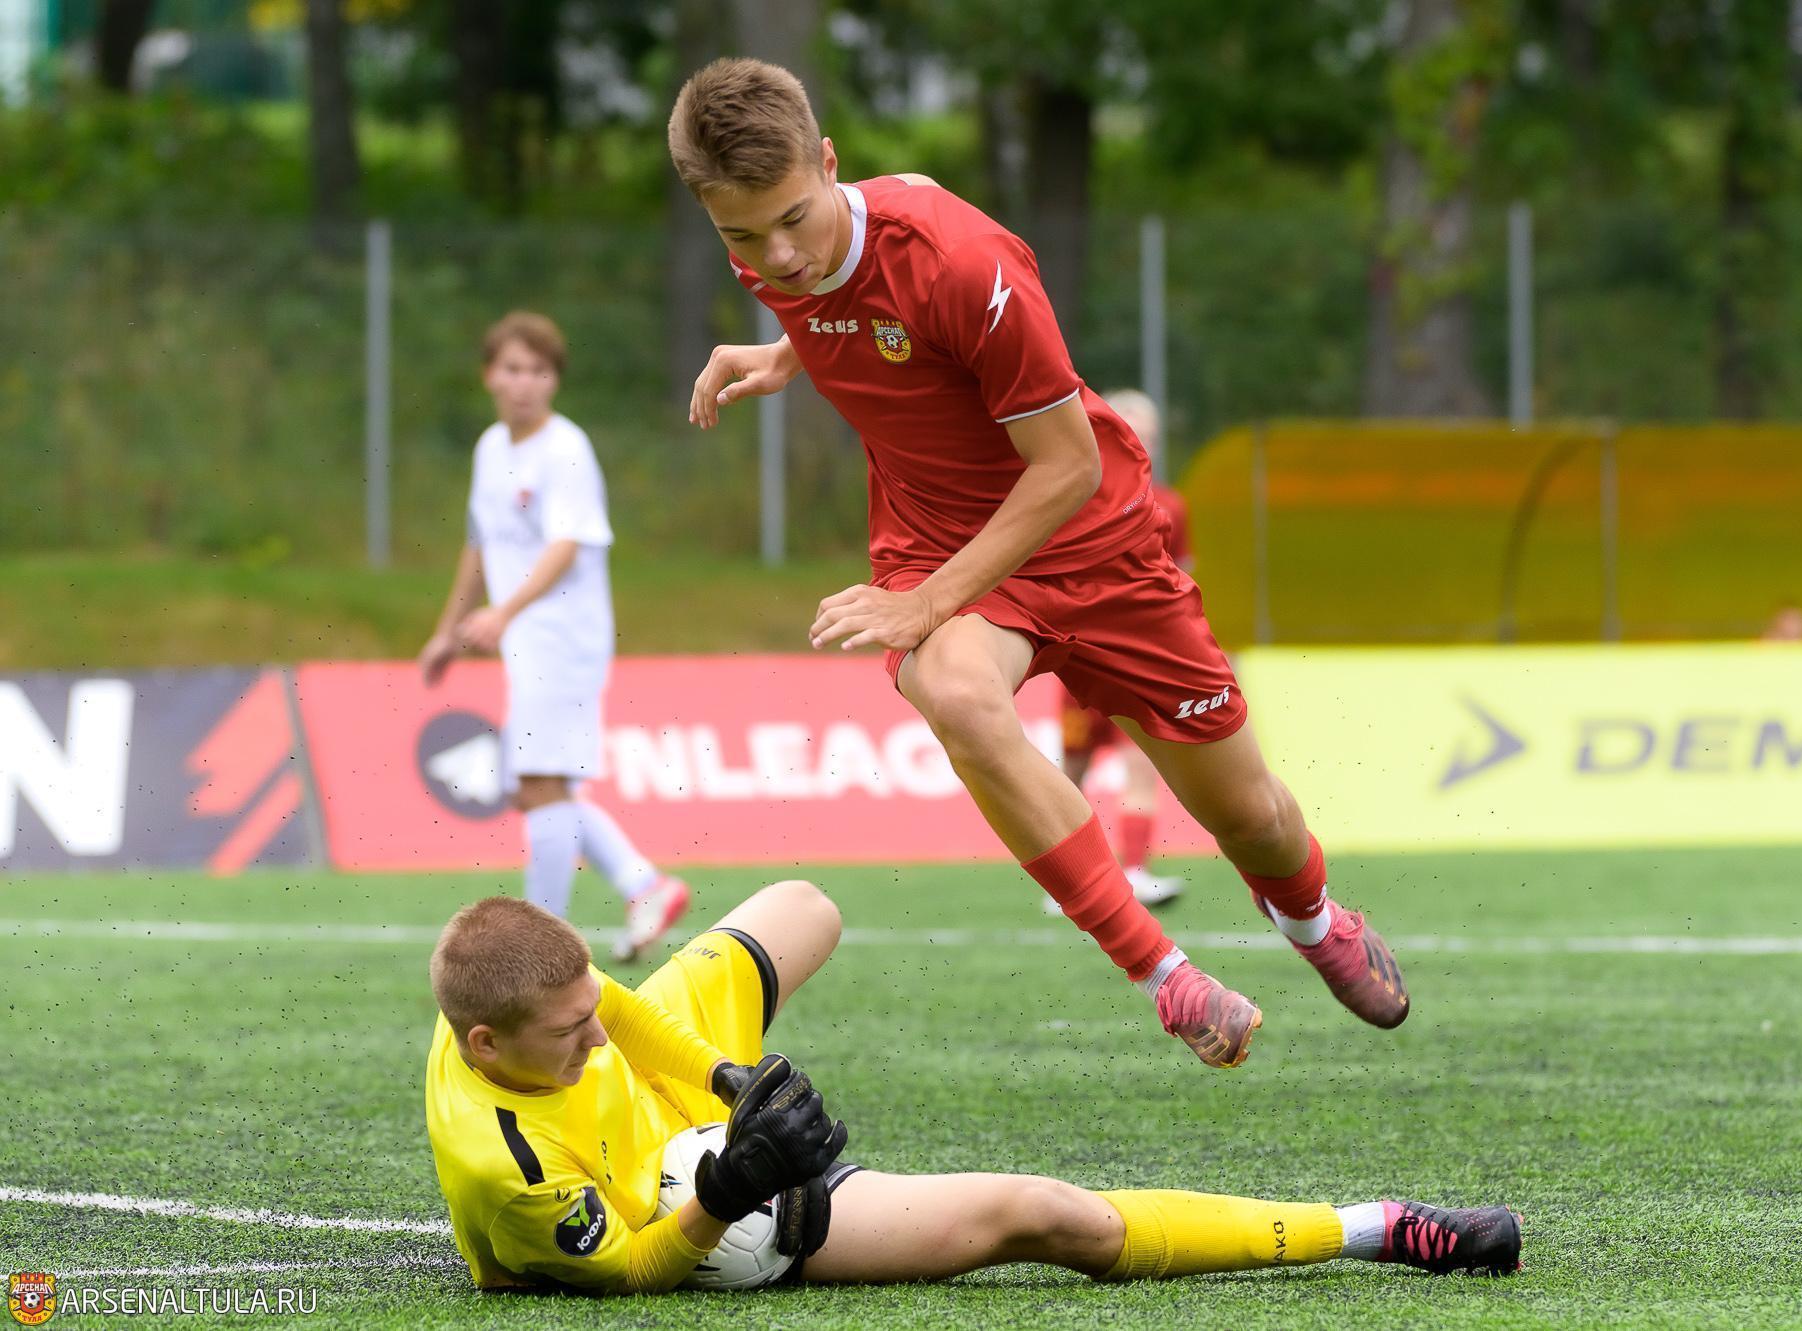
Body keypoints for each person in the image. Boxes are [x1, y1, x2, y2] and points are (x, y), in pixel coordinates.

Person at [668, 57, 1408, 1071]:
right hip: (937, 538)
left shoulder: (967, 262)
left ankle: (1314, 920)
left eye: (793, 219)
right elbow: (841, 297)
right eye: (743, 236)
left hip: (1092, 539)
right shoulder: (767, 248)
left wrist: (923, 603)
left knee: (1250, 816)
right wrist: (785, 353)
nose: (777, 255)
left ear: (829, 163)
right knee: (957, 696)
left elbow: (1065, 468)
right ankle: (1165, 975)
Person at [423, 885, 1523, 1295]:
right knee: (1052, 1216)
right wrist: (727, 1186)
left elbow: (616, 1016)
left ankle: (717, 1109)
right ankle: (1376, 1226)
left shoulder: (527, 990)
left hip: (682, 1113)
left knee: (804, 907)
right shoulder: (506, 1165)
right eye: (566, 1034)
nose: (591, 1034)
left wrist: (726, 1075)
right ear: (487, 1044)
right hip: (684, 1209)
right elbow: (630, 1276)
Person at [418, 311, 685, 964]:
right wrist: (447, 630)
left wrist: (504, 611)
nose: (525, 383)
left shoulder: (565, 449)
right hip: (527, 640)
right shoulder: (491, 448)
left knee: (539, 781)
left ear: (555, 381)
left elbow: (566, 546)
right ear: (489, 375)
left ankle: (541, 947)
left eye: (539, 371)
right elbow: (479, 545)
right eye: (513, 369)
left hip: (563, 638)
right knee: (534, 786)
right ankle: (643, 884)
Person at [1048, 390, 1189, 913]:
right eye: (1131, 430)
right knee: (1072, 771)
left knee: (1141, 762)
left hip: (1140, 661)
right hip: (1081, 659)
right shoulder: (1071, 497)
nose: (1140, 440)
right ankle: (1068, 882)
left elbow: (1181, 580)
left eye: (1148, 433)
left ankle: (1135, 872)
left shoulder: (1172, 505)